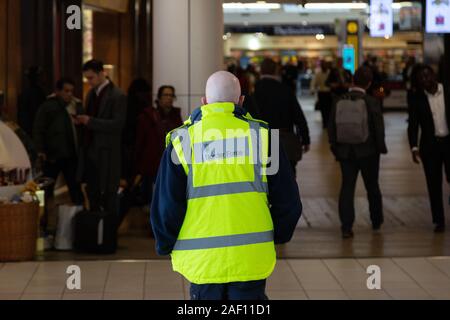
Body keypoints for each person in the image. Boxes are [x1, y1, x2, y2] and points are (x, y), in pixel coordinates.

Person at [151, 71, 302, 300]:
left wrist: (165, 242)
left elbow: (167, 205)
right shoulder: (263, 138)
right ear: (241, 101)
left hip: (202, 260)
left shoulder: (182, 141)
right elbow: (289, 202)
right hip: (250, 258)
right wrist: (277, 235)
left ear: (204, 101)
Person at [328, 67, 388, 239]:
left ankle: (346, 226)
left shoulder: (339, 100)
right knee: (372, 186)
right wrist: (380, 147)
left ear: (353, 80)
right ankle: (376, 220)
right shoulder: (371, 101)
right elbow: (378, 128)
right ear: (369, 83)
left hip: (345, 152)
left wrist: (335, 148)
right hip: (368, 152)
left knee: (347, 187)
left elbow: (331, 126)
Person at [75, 59, 127, 219]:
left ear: (100, 74)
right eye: (87, 78)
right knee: (93, 191)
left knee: (109, 193)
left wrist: (90, 121)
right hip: (91, 150)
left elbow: (118, 124)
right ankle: (96, 231)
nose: (88, 82)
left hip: (108, 152)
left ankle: (107, 234)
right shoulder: (91, 94)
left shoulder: (118, 95)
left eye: (91, 78)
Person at [244, 58, 310, 175]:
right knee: (288, 177)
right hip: (284, 140)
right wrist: (305, 139)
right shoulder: (285, 90)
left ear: (261, 71)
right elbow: (298, 116)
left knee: (264, 178)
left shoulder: (253, 92)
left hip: (260, 141)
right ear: (276, 71)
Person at [408, 65, 450, 233]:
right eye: (421, 78)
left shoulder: (447, 91)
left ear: (434, 75)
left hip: (448, 142)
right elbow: (413, 125)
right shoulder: (416, 98)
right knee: (433, 185)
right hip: (430, 147)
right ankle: (439, 220)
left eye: (427, 76)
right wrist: (414, 147)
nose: (425, 80)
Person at [33, 78, 84, 205]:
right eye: (66, 91)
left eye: (72, 91)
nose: (70, 94)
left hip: (71, 154)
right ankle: (43, 219)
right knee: (47, 189)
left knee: (75, 187)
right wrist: (40, 150)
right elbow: (39, 129)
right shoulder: (48, 107)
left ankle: (79, 218)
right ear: (58, 91)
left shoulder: (76, 106)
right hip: (52, 155)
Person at [17, 66, 47, 136]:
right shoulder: (36, 93)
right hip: (33, 131)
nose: (44, 78)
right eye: (42, 76)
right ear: (37, 78)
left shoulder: (27, 93)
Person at [310, 60, 332, 128]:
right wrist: (312, 89)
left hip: (329, 93)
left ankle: (328, 122)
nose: (324, 66)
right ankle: (325, 123)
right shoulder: (318, 74)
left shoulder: (330, 73)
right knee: (323, 109)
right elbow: (313, 82)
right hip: (322, 93)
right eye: (323, 65)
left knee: (329, 108)